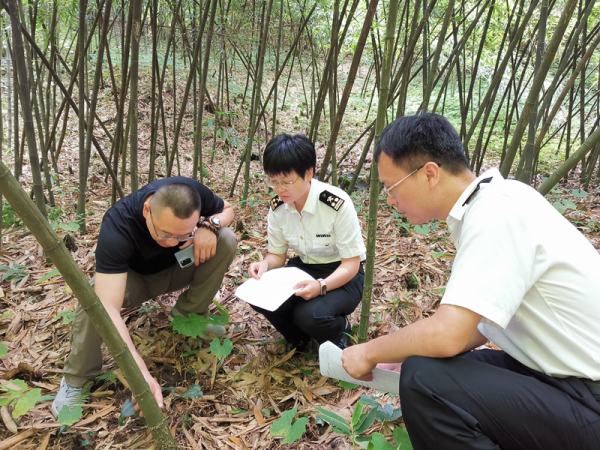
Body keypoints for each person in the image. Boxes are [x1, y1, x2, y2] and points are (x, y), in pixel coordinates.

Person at [341, 112, 600, 449]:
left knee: (424, 380)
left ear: (430, 173)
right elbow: (483, 323)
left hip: (587, 396)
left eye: (391, 187)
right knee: (425, 365)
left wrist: (371, 352)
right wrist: (401, 352)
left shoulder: (496, 213)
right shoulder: (500, 200)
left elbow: (448, 334)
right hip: (556, 377)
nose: (389, 200)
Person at [52, 177, 237, 416]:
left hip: (178, 268)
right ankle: (77, 377)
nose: (172, 242)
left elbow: (228, 209)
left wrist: (210, 225)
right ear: (147, 210)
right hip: (134, 281)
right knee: (94, 298)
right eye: (166, 233)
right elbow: (108, 306)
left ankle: (190, 315)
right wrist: (139, 370)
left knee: (226, 239)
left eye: (182, 235)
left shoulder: (190, 193)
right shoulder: (118, 225)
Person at [248, 134, 366, 352]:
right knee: (258, 294)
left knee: (311, 314)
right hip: (304, 268)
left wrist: (321, 286)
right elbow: (277, 256)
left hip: (343, 273)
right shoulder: (278, 207)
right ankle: (298, 338)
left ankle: (340, 328)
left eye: (286, 182)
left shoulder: (336, 204)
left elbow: (351, 264)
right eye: (273, 182)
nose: (278, 189)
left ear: (309, 173)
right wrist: (264, 265)